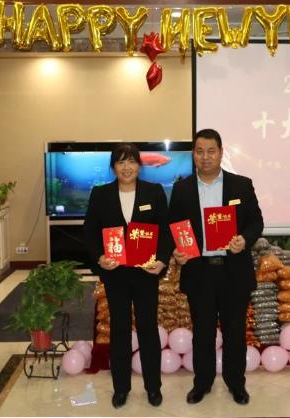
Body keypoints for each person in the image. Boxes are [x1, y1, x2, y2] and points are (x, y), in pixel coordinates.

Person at [167, 129, 264, 405]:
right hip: (200, 272)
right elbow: (174, 226)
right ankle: (202, 383)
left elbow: (256, 222)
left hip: (233, 271)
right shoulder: (182, 188)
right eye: (200, 151)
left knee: (235, 333)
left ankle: (236, 384)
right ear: (193, 155)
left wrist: (244, 239)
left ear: (221, 153)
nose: (205, 157)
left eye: (211, 151)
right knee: (203, 333)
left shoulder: (241, 185)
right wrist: (176, 250)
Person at [83, 143, 169, 408]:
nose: (127, 167)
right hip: (116, 274)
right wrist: (99, 258)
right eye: (121, 162)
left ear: (140, 166)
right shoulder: (101, 194)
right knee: (119, 330)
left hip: (145, 273)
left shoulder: (154, 192)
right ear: (113, 168)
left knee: (147, 330)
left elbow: (165, 231)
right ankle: (121, 388)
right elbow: (90, 232)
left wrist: (162, 260)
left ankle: (153, 387)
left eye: (131, 161)